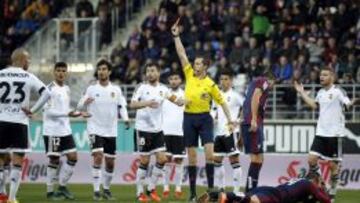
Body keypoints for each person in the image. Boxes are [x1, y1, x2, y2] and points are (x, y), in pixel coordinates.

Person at [172, 18, 235, 201]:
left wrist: (230, 119)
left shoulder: (211, 84)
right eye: (195, 63)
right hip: (189, 119)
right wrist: (176, 36)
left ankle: (210, 192)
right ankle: (192, 194)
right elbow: (182, 53)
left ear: (205, 66)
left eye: (198, 63)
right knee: (192, 158)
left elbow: (222, 102)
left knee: (209, 155)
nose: (194, 65)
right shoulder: (189, 74)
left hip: (205, 119)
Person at [294, 67, 359, 202]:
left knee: (333, 167)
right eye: (321, 75)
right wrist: (301, 92)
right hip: (321, 133)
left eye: (325, 75)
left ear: (332, 77)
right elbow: (314, 105)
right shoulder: (320, 92)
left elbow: (347, 105)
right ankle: (322, 185)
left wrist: (353, 102)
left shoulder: (338, 91)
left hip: (335, 135)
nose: (321, 77)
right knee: (311, 159)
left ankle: (332, 196)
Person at [0, 48, 51, 203]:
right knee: (17, 161)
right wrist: (33, 110)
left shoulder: (1, 74)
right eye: (28, 59)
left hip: (1, 121)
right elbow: (47, 93)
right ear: (21, 60)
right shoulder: (28, 76)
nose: (29, 62)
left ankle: (1, 194)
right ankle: (12, 198)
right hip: (20, 122)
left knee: (1, 160)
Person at [130, 63, 183, 202]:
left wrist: (185, 101)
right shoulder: (141, 87)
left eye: (153, 71)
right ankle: (139, 193)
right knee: (145, 161)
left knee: (162, 159)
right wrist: (146, 103)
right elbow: (132, 104)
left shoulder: (163, 89)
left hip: (157, 130)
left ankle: (151, 188)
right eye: (148, 71)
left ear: (158, 73)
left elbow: (177, 100)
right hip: (143, 129)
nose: (150, 73)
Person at [77, 59, 129, 200]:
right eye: (99, 69)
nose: (101, 71)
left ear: (109, 72)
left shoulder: (116, 90)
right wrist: (84, 104)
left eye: (104, 69)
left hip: (111, 130)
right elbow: (79, 106)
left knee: (110, 163)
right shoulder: (91, 89)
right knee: (98, 155)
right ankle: (96, 190)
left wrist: (125, 119)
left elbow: (122, 106)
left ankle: (106, 189)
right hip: (94, 127)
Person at [42, 62, 83, 200]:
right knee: (54, 159)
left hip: (65, 129)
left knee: (73, 157)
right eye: (58, 70)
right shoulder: (48, 89)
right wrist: (68, 113)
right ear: (54, 72)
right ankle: (49, 192)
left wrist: (78, 113)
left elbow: (66, 109)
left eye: (63, 71)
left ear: (66, 73)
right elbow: (49, 112)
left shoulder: (67, 89)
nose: (61, 73)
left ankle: (62, 187)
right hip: (52, 130)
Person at [241, 72, 275, 192]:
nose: (272, 86)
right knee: (255, 159)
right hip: (253, 123)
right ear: (271, 80)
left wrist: (241, 134)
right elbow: (256, 96)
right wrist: (254, 120)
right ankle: (249, 191)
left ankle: (252, 189)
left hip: (249, 123)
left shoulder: (253, 84)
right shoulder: (264, 81)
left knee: (259, 159)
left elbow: (245, 104)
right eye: (273, 83)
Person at [211, 70, 244, 193]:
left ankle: (236, 191)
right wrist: (212, 117)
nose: (223, 82)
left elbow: (246, 108)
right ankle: (221, 188)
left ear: (231, 81)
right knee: (217, 160)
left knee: (234, 160)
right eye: (221, 79)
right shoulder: (217, 95)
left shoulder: (235, 95)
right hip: (219, 132)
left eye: (226, 79)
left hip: (231, 132)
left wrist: (238, 120)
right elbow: (213, 109)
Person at [198, 173, 331, 203]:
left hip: (267, 190)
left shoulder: (301, 182)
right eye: (321, 183)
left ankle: (216, 196)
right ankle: (224, 195)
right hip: (274, 196)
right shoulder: (310, 184)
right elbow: (326, 200)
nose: (321, 187)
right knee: (252, 201)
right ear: (316, 180)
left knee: (247, 200)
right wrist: (326, 190)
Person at [162, 71, 186, 199]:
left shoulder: (185, 95)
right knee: (165, 160)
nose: (173, 81)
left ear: (180, 81)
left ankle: (178, 188)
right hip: (165, 132)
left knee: (179, 161)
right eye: (171, 78)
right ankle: (165, 187)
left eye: (176, 78)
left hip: (180, 132)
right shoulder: (165, 94)